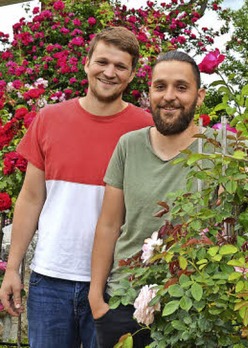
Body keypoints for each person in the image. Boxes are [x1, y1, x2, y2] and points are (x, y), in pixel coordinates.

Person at [0, 27, 153, 347]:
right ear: (87, 64)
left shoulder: (145, 129)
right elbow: (30, 198)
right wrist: (12, 268)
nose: (109, 72)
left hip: (117, 285)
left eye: (120, 66)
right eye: (102, 62)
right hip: (50, 280)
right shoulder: (49, 119)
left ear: (132, 75)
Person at [88, 50, 210, 348]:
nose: (169, 96)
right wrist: (96, 300)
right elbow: (109, 224)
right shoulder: (129, 146)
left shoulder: (223, 152)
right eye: (160, 86)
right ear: (149, 93)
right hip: (123, 304)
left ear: (199, 96)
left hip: (193, 307)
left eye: (181, 87)